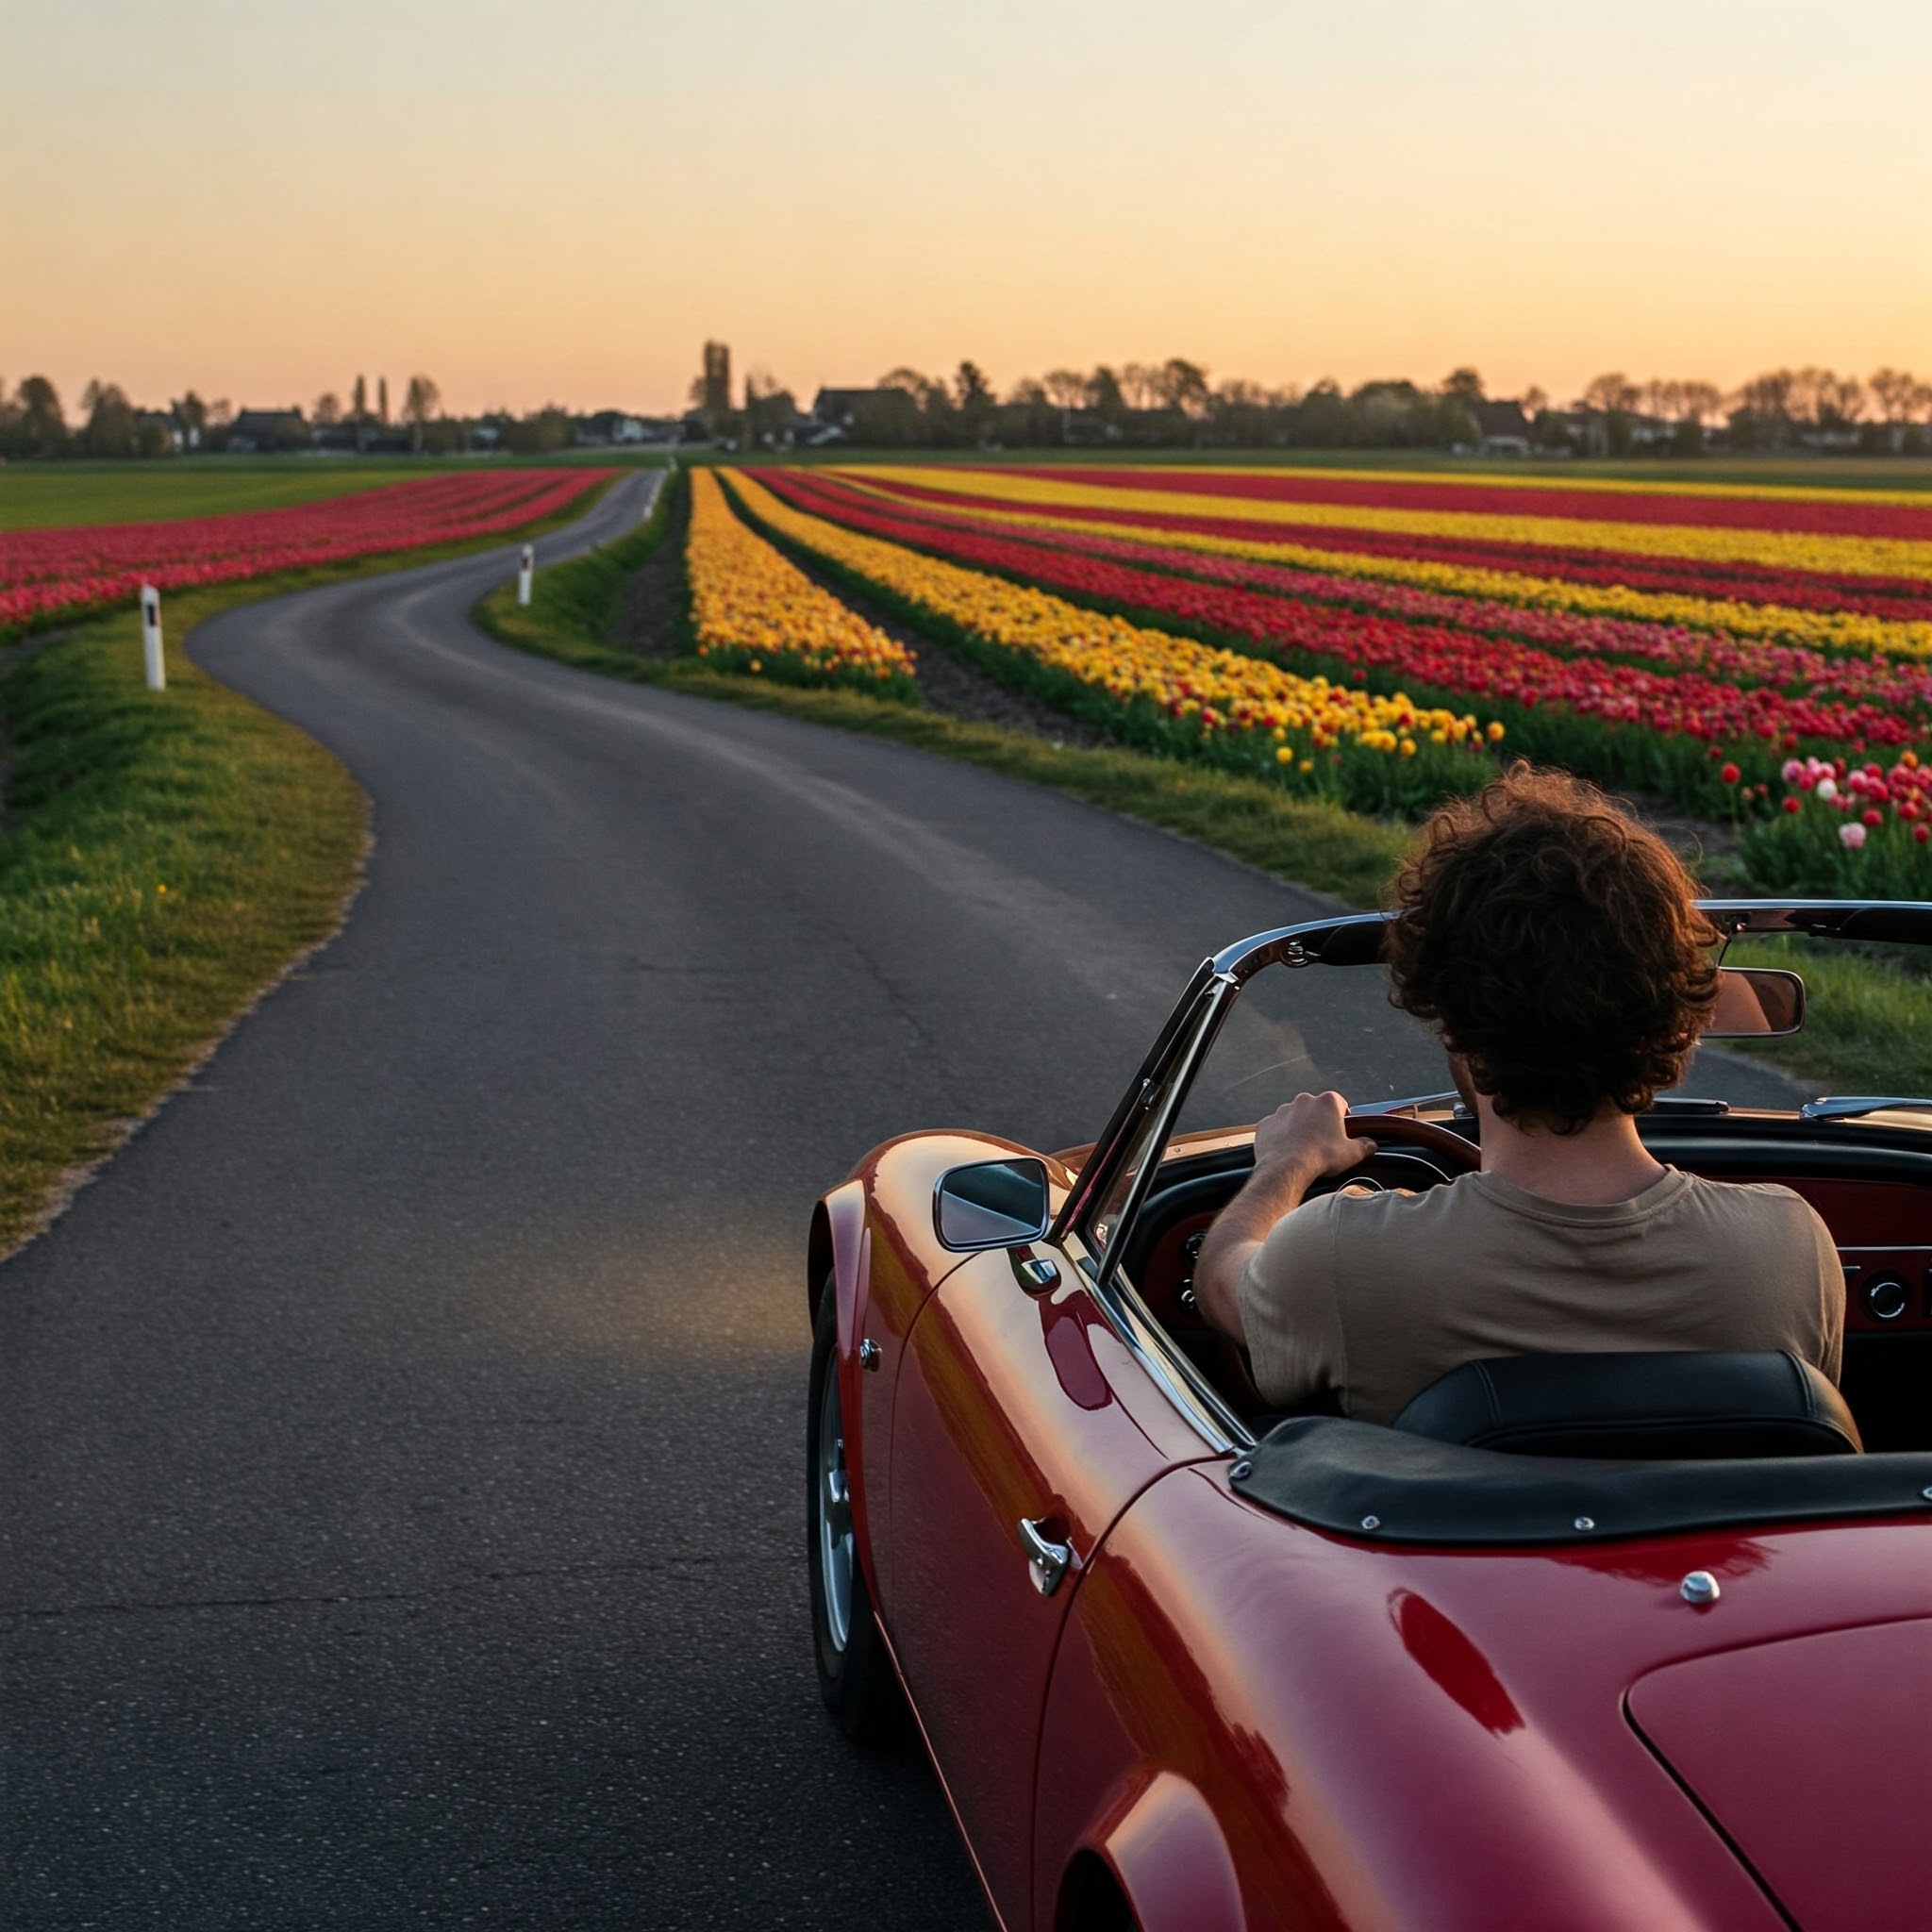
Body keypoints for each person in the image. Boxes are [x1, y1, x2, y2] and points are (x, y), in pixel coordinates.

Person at [1193, 765, 1843, 1426]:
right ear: (1673, 1018)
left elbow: (1220, 1285)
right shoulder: (1791, 1248)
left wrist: (1286, 1164)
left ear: (1449, 1016)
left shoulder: (1341, 1258)